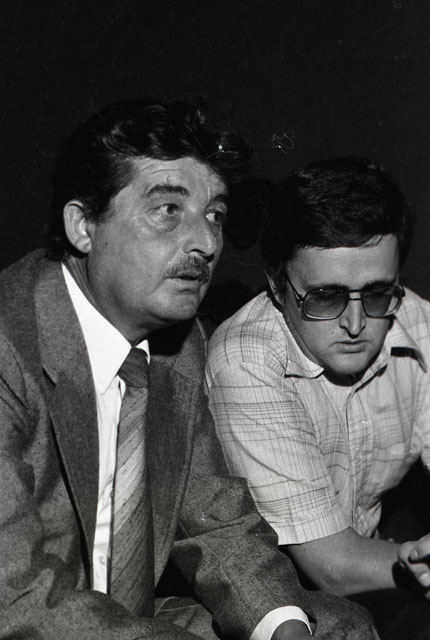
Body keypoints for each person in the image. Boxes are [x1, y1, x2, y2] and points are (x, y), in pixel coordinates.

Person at [0, 102, 378, 640]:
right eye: (168, 210)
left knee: (339, 627)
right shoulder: (9, 344)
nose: (206, 242)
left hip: (128, 617)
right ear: (83, 226)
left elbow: (218, 522)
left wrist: (284, 627)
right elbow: (17, 601)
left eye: (214, 214)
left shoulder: (180, 344)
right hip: (36, 616)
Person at [205, 156, 430, 639]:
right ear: (276, 284)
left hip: (378, 569)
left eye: (377, 293)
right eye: (326, 296)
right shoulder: (246, 358)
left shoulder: (419, 322)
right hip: (274, 603)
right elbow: (332, 566)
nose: (355, 324)